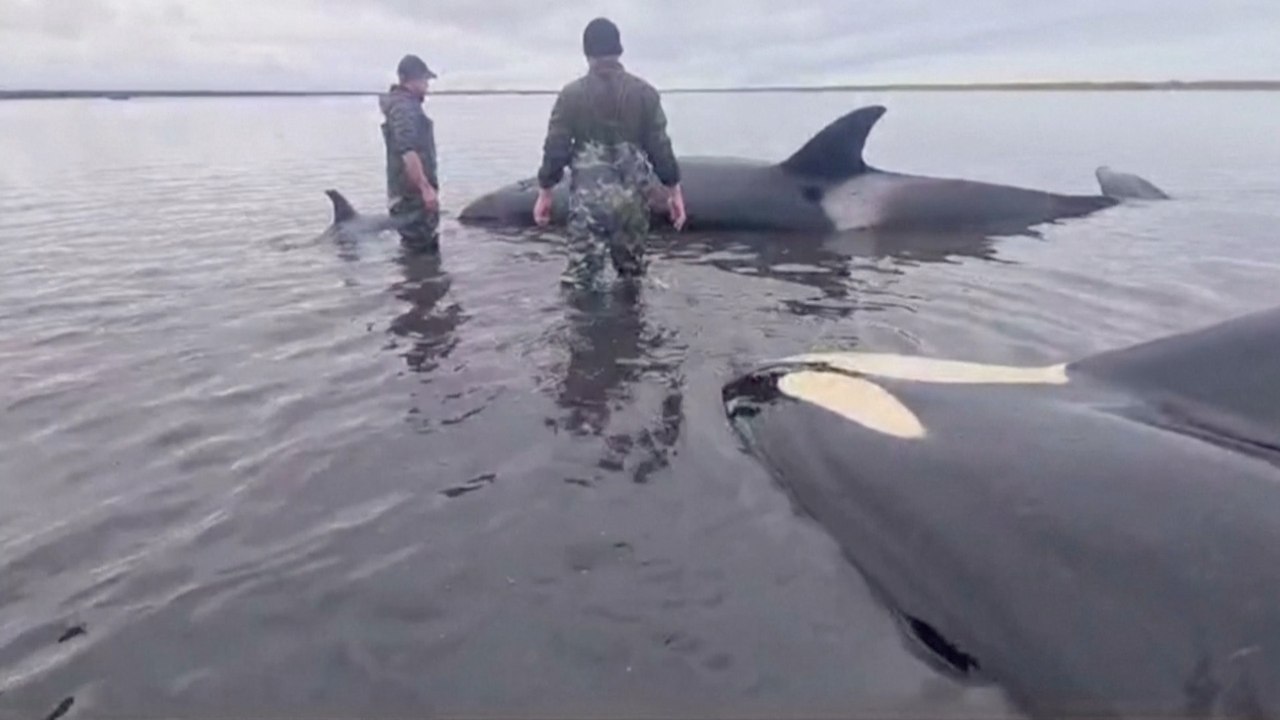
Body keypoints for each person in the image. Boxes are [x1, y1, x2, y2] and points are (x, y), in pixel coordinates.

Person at [533, 17, 687, 289]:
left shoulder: (570, 96)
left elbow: (555, 148)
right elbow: (660, 147)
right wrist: (674, 192)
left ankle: (581, 318)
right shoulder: (645, 94)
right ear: (619, 50)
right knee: (632, 280)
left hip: (588, 207)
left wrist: (545, 192)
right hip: (631, 205)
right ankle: (631, 316)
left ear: (587, 52)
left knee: (580, 283)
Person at [380, 54, 441, 252]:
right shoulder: (405, 109)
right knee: (421, 251)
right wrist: (425, 188)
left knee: (414, 255)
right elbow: (407, 150)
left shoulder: (403, 105)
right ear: (412, 80)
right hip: (412, 199)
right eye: (424, 80)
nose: (427, 85)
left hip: (408, 197)